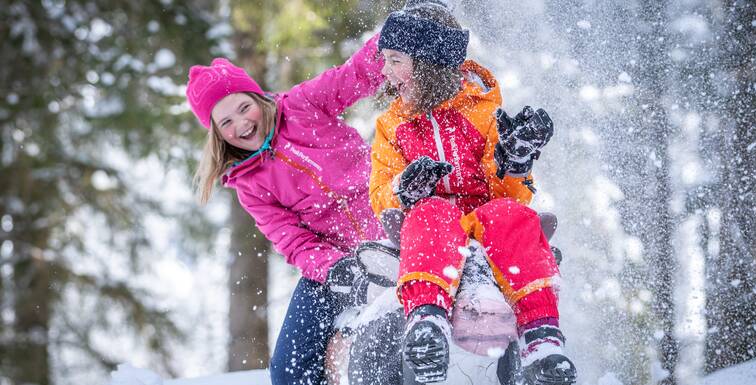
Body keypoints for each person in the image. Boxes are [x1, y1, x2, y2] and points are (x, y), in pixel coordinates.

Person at [368, 3, 577, 385]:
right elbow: (380, 190)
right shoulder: (391, 125)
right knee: (432, 212)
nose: (385, 71)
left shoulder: (483, 111)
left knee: (513, 216)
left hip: (487, 229)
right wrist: (404, 192)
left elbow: (509, 195)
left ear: (427, 61)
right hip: (430, 233)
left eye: (394, 60)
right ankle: (427, 322)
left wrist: (514, 162)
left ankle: (541, 336)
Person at [186, 35, 386, 385]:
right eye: (226, 123)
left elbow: (355, 74)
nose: (241, 124)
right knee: (290, 370)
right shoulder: (247, 184)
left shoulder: (302, 104)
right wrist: (336, 270)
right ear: (217, 134)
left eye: (242, 108)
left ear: (256, 97)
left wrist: (392, 40)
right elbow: (294, 243)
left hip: (391, 227)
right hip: (336, 263)